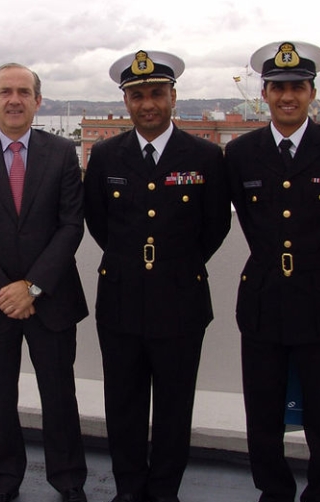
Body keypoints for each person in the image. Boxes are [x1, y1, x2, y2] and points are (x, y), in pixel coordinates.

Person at [224, 41, 320, 502]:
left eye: (297, 87)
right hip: (265, 298)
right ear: (264, 93)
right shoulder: (242, 153)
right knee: (263, 414)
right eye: (278, 88)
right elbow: (250, 223)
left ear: (312, 93)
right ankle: (275, 491)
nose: (287, 96)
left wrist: (314, 270)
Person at [83, 50, 231, 502]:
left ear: (173, 97)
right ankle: (129, 490)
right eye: (137, 96)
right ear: (126, 101)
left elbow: (215, 226)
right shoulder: (106, 155)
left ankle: (165, 491)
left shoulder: (204, 155)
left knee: (173, 406)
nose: (147, 104)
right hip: (121, 300)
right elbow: (98, 222)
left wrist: (174, 264)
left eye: (156, 94)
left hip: (180, 301)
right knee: (123, 405)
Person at [0, 63, 89, 502]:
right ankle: (3, 484)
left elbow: (71, 226)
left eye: (23, 92)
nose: (14, 99)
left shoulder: (63, 153)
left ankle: (69, 482)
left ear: (37, 101)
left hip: (52, 301)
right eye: (5, 91)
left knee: (60, 400)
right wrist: (4, 291)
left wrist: (32, 287)